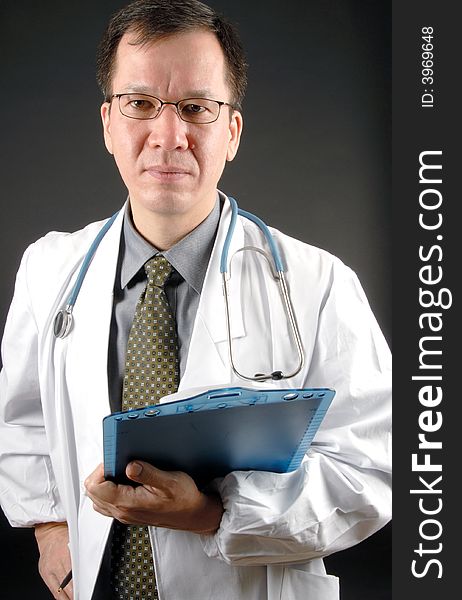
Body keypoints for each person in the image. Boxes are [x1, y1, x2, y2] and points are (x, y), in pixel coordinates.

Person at [0, 1, 391, 599]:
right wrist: (52, 529)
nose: (168, 135)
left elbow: (372, 474)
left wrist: (213, 513)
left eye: (196, 108)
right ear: (108, 123)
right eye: (140, 105)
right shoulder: (48, 269)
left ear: (231, 130)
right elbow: (23, 420)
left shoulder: (320, 285)